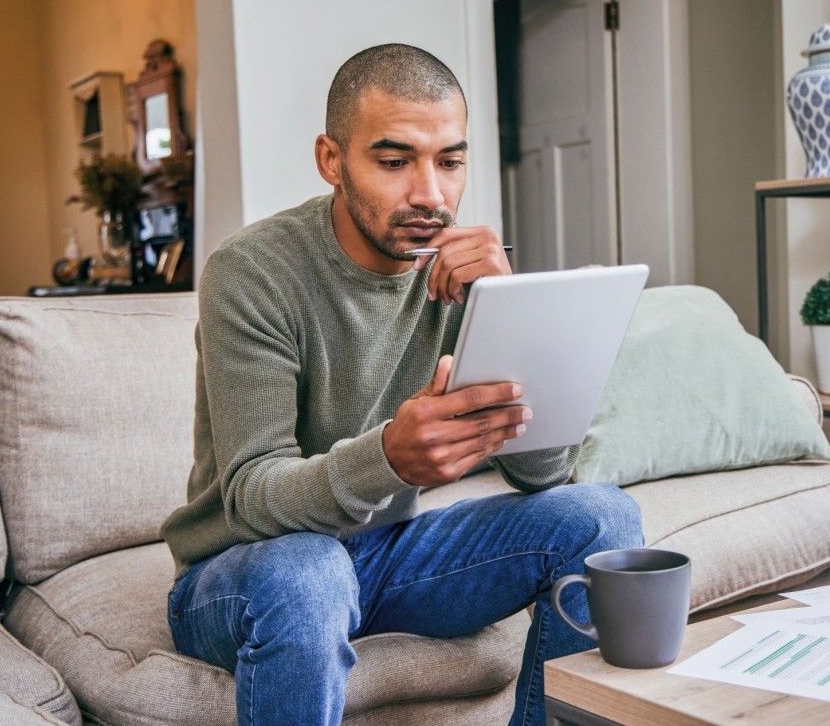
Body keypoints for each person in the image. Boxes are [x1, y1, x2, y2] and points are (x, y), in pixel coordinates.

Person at [160, 43, 643, 726]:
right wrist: (388, 456)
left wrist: (510, 321)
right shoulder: (252, 271)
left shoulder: (460, 270)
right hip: (245, 570)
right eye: (394, 161)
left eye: (449, 161)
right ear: (333, 160)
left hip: (385, 552)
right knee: (308, 573)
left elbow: (544, 474)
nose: (431, 194)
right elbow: (249, 497)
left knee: (605, 518)